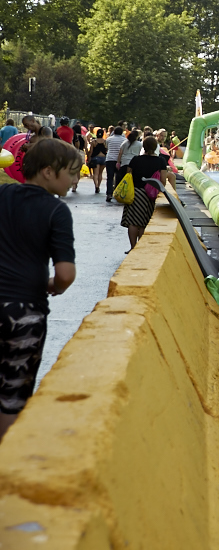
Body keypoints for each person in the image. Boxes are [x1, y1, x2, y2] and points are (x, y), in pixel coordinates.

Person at [0, 139, 78, 441]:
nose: (74, 180)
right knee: (12, 396)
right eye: (70, 173)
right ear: (47, 172)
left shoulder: (2, 194)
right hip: (24, 312)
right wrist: (51, 286)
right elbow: (65, 274)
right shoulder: (56, 211)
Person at [120, 137, 175, 253]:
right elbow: (163, 181)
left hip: (135, 193)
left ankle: (133, 247)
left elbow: (128, 175)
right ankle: (140, 247)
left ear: (143, 147)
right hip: (150, 194)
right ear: (156, 147)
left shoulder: (135, 159)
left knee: (133, 221)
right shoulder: (160, 161)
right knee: (144, 222)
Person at [104, 126, 124, 201]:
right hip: (119, 160)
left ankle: (109, 193)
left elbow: (107, 148)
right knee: (118, 177)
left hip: (109, 159)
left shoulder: (109, 139)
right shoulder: (124, 140)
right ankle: (117, 192)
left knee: (110, 177)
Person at [87, 129, 107, 194]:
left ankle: (96, 186)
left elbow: (91, 151)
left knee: (95, 174)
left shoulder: (94, 142)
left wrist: (88, 158)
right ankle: (99, 185)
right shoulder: (105, 142)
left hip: (95, 158)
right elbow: (106, 150)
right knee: (100, 173)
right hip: (104, 158)